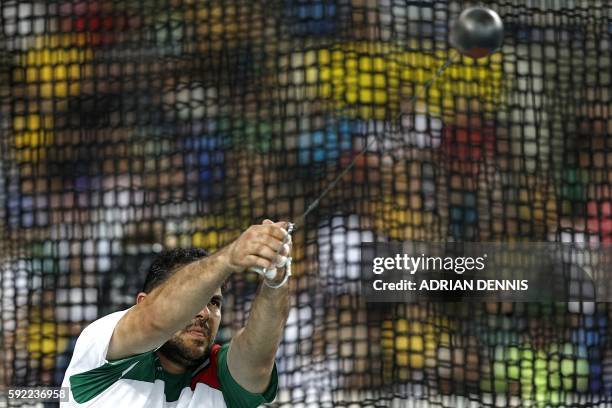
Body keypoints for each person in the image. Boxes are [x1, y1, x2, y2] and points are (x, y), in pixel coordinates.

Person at [60, 220, 292, 407]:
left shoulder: (222, 372)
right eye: (195, 301)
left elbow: (258, 358)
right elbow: (154, 321)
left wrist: (276, 278)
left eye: (214, 302)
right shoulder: (103, 343)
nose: (204, 313)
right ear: (142, 302)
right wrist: (229, 257)